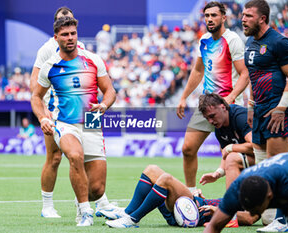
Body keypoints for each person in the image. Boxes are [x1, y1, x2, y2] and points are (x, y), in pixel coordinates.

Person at [30, 7, 118, 219]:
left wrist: (103, 105)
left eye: (72, 28)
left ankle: (99, 201)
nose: (69, 33)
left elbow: (106, 88)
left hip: (91, 114)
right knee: (57, 157)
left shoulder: (85, 51)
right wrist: (44, 112)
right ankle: (50, 206)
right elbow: (35, 85)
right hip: (58, 111)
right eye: (63, 23)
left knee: (94, 176)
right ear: (56, 29)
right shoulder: (47, 51)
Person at [176, 1, 250, 192]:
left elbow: (244, 73)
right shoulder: (204, 40)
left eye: (214, 15)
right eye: (207, 15)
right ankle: (191, 193)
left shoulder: (232, 40)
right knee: (187, 149)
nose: (209, 19)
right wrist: (184, 97)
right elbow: (198, 71)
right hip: (207, 105)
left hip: (227, 108)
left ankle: (242, 203)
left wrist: (231, 98)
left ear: (223, 17)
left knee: (234, 157)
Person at [242, 0, 288, 231]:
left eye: (248, 16)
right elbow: (254, 77)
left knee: (278, 168)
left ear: (262, 18)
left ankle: (282, 220)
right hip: (259, 112)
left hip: (276, 112)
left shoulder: (279, 42)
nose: (243, 19)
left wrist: (282, 107)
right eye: (242, 15)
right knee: (263, 169)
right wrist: (251, 107)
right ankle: (274, 214)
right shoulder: (250, 42)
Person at [105, 164, 258, 228]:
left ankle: (132, 220)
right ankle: (127, 212)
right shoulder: (240, 195)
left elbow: (249, 219)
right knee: (151, 170)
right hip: (194, 203)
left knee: (166, 179)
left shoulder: (254, 203)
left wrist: (215, 210)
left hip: (193, 214)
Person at [204, 153, 288, 233]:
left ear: (269, 196)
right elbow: (213, 226)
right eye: (248, 209)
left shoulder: (286, 184)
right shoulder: (236, 189)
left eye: (255, 210)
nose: (251, 214)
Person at [198, 93, 254, 189]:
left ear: (223, 107)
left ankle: (230, 202)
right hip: (253, 159)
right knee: (231, 157)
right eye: (207, 118)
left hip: (271, 156)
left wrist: (230, 148)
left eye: (212, 116)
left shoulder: (240, 116)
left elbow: (256, 145)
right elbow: (225, 156)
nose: (210, 121)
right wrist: (217, 174)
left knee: (232, 158)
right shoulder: (219, 127)